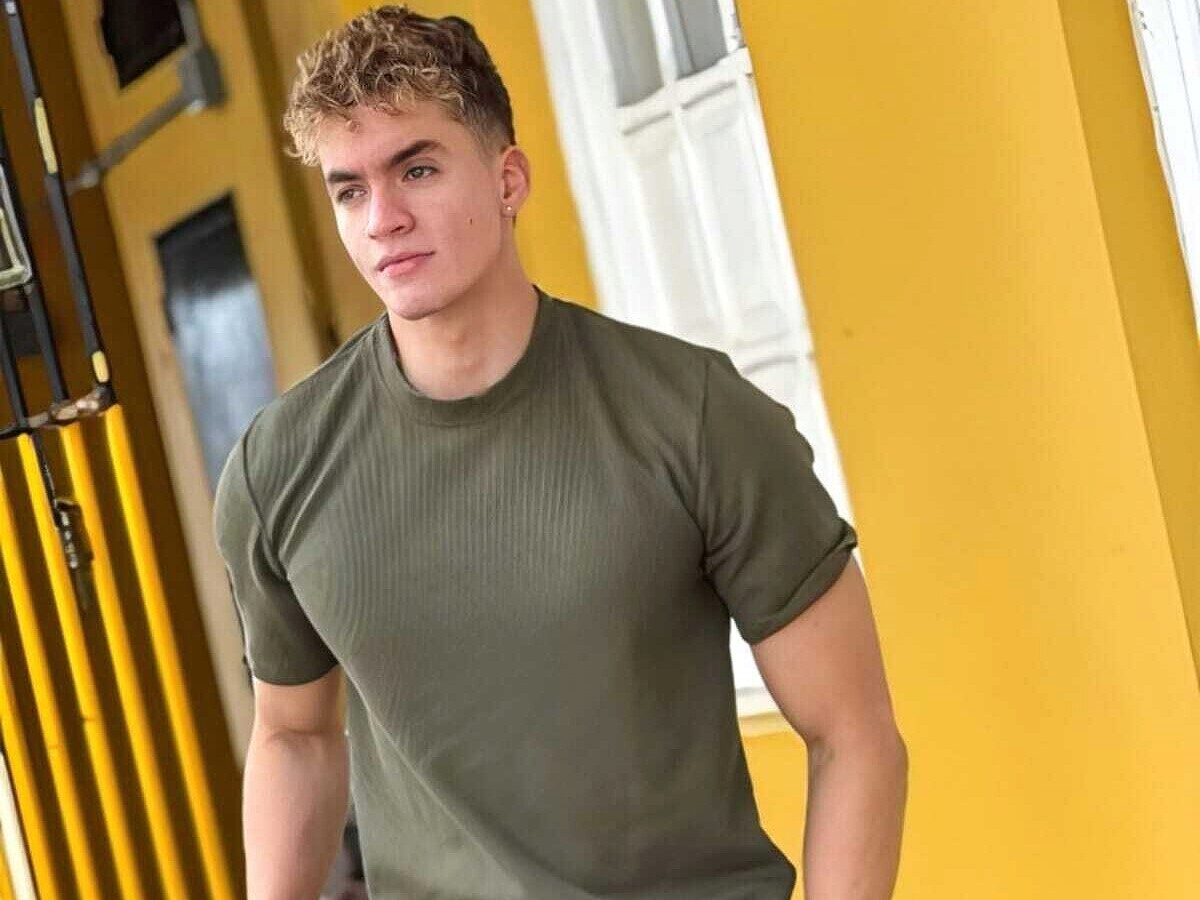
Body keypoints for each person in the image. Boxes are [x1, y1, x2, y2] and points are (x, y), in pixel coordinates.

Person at [212, 6, 907, 899]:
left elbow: (853, 733)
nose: (383, 219)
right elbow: (295, 735)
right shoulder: (278, 469)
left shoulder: (693, 416)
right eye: (350, 190)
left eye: (417, 169)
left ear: (508, 179)